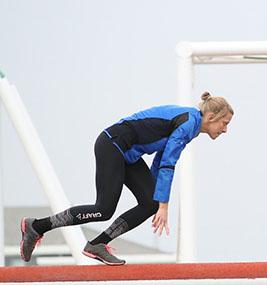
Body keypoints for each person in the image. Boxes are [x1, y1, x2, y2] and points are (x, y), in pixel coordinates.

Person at [19, 92, 233, 265]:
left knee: (150, 202)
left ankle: (97, 244)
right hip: (112, 145)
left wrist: (155, 196)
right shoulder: (188, 123)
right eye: (224, 123)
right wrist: (164, 205)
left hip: (129, 153)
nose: (225, 130)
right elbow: (168, 163)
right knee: (103, 209)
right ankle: (37, 226)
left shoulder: (191, 123)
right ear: (211, 117)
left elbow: (160, 158)